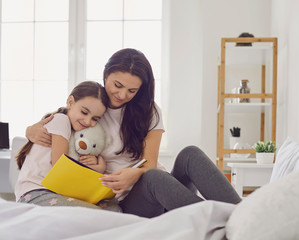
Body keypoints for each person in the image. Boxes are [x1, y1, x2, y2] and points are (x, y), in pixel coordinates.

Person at [26, 48, 241, 218]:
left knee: (190, 154)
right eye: (117, 85)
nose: (121, 95)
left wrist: (135, 174)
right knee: (155, 177)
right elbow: (63, 118)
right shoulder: (92, 106)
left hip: (162, 188)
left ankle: (242, 213)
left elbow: (150, 161)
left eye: (131, 91)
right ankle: (221, 220)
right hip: (128, 202)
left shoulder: (150, 111)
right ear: (105, 74)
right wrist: (31, 130)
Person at [15, 81, 113, 210]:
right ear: (70, 102)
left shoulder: (74, 133)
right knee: (97, 213)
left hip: (53, 193)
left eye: (95, 119)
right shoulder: (61, 120)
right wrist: (99, 169)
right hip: (35, 193)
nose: (88, 121)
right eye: (84, 112)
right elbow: (60, 169)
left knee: (113, 209)